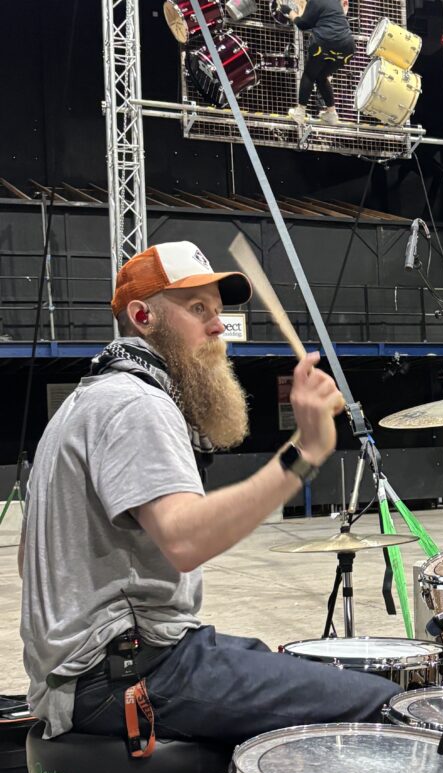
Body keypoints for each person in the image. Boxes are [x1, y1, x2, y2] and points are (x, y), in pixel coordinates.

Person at [19, 241, 398, 747]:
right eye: (198, 309)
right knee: (383, 703)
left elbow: (28, 560)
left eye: (217, 311)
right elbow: (184, 540)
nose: (218, 326)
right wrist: (305, 452)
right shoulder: (135, 404)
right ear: (143, 317)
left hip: (96, 672)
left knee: (279, 661)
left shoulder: (84, 402)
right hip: (123, 677)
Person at [287, 0, 355, 128]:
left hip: (325, 43)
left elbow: (303, 24)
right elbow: (316, 2)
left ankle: (300, 112)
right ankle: (331, 114)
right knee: (321, 76)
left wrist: (290, 13)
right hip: (347, 48)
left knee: (309, 74)